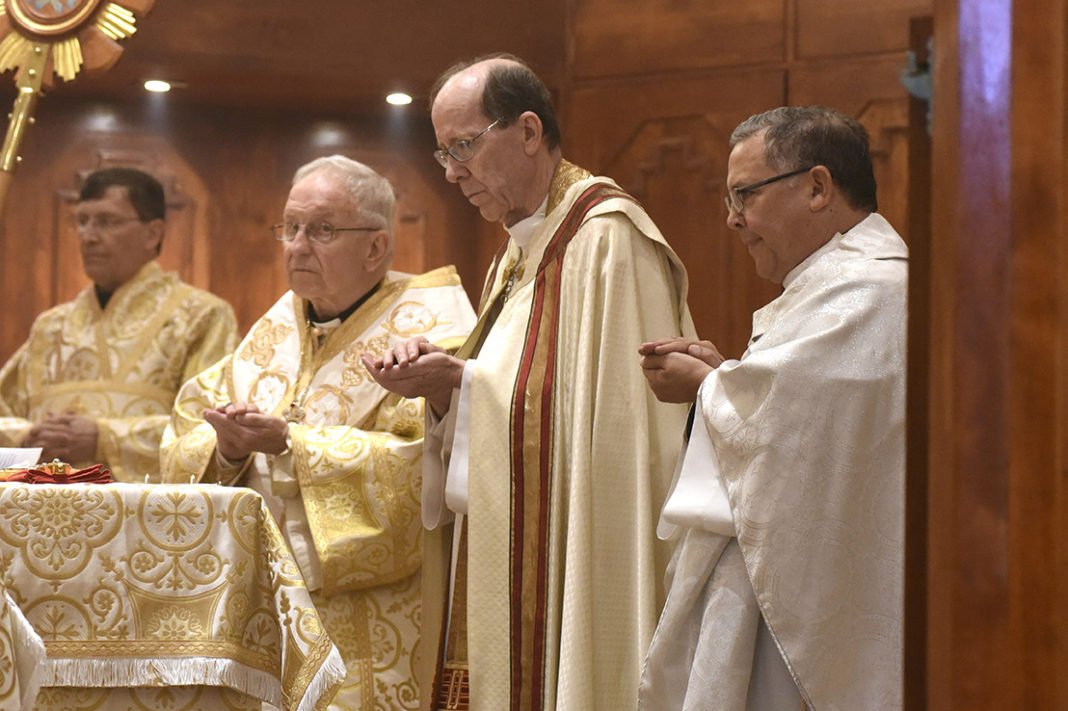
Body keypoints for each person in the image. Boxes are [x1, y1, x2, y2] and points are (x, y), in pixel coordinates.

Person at [363, 55, 693, 711]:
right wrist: (444, 389)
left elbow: (616, 431)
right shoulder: (519, 252)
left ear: (529, 132)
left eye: (463, 145)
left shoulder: (605, 241)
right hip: (502, 548)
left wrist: (467, 380)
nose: (453, 171)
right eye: (442, 153)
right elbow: (518, 384)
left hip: (574, 561)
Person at [160, 155, 476, 711]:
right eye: (291, 227)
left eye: (322, 229)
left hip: (369, 623)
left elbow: (423, 471)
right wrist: (226, 449)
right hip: (262, 610)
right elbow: (186, 428)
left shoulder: (432, 331)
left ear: (375, 247)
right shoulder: (278, 329)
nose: (297, 245)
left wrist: (291, 444)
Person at [637, 105, 907, 710]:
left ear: (817, 187)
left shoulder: (873, 289)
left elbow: (802, 425)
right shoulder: (831, 284)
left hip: (806, 613)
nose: (733, 220)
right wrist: (723, 375)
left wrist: (710, 387)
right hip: (779, 583)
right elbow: (797, 411)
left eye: (744, 196)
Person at [0, 167, 238, 481]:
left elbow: (210, 430)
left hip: (143, 517)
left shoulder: (201, 317)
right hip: (43, 512)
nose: (89, 236)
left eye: (107, 222)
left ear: (153, 233)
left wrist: (107, 438)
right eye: (82, 221)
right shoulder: (51, 326)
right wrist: (28, 437)